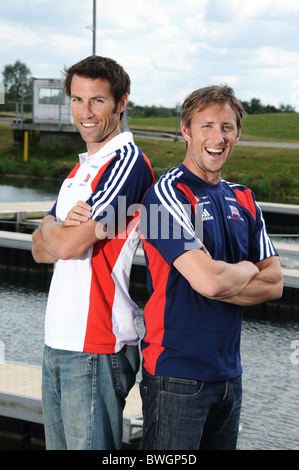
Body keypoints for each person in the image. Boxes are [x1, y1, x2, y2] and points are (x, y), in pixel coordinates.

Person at [138, 85, 283, 450]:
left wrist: (226, 271)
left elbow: (275, 285)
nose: (218, 138)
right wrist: (250, 266)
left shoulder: (244, 198)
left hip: (229, 377)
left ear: (237, 133)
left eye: (227, 127)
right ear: (185, 130)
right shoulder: (160, 197)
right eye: (206, 126)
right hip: (176, 377)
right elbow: (210, 283)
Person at [32, 55, 154, 450]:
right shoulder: (80, 170)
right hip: (59, 341)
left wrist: (56, 229)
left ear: (121, 103)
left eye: (97, 100)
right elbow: (37, 249)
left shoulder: (128, 164)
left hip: (96, 346)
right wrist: (56, 227)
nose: (85, 112)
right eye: (77, 99)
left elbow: (66, 245)